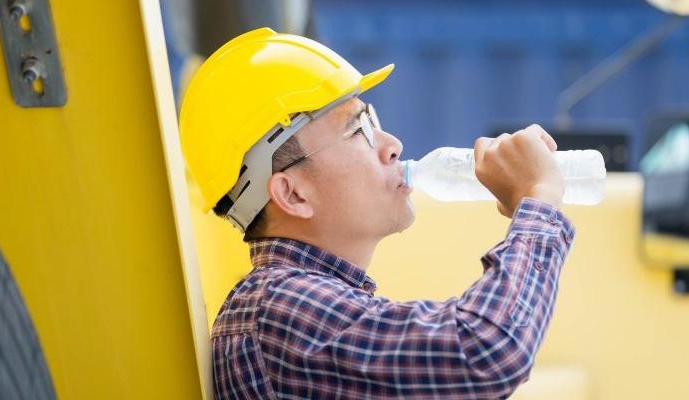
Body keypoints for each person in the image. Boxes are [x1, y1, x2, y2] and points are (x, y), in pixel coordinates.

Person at [180, 27, 575, 400]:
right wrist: (538, 200)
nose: (392, 145)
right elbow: (484, 351)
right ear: (292, 193)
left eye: (374, 122)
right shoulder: (280, 308)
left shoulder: (296, 304)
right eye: (358, 131)